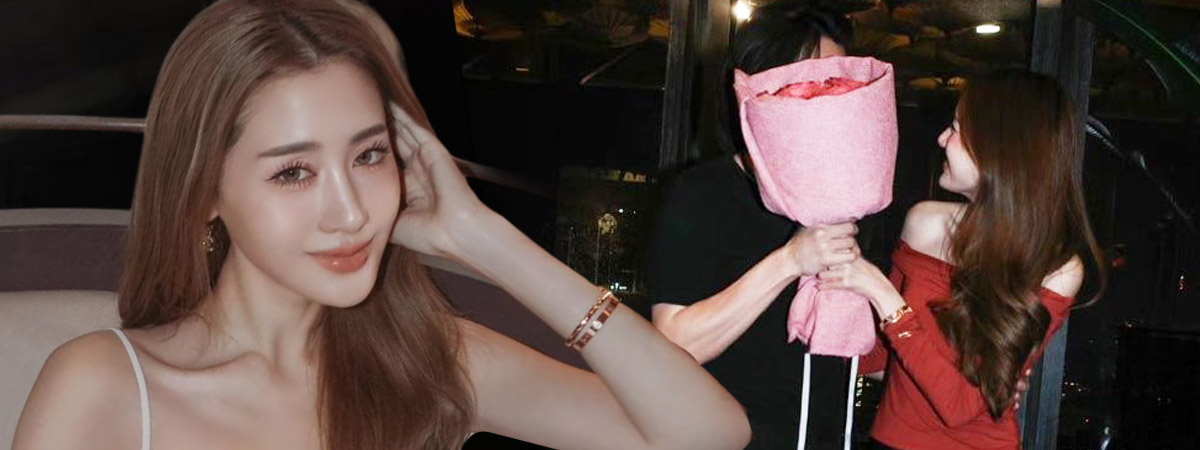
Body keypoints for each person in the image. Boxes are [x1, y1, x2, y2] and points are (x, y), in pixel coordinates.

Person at [11, 1, 752, 449]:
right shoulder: (106, 385)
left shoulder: (430, 365)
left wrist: (482, 236)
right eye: (293, 171)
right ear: (204, 189)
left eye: (369, 156)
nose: (350, 211)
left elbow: (708, 433)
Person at [819, 69, 1104, 449]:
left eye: (955, 129)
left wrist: (881, 294)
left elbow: (959, 404)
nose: (941, 139)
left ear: (999, 147)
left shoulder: (1058, 267)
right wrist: (833, 287)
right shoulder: (925, 222)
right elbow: (879, 361)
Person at [647, 1, 888, 448]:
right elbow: (674, 343)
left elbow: (869, 354)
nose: (831, 97)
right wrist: (790, 261)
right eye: (813, 81)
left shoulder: (851, 204)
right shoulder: (703, 193)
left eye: (839, 82)